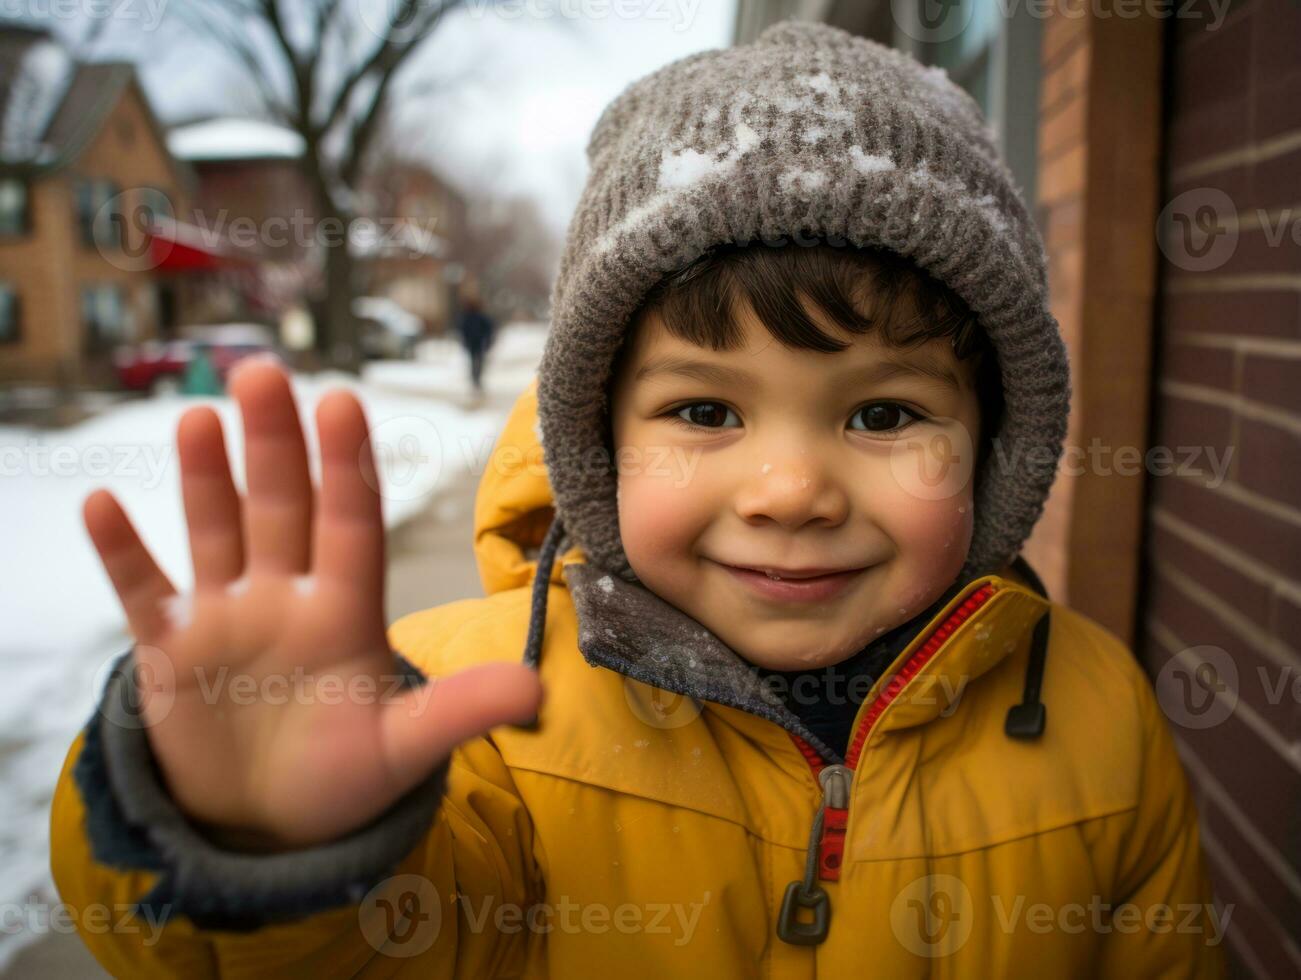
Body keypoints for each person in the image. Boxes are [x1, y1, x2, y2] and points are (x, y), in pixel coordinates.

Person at [52, 23, 1226, 977]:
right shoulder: (462, 726)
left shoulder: (1096, 718)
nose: (790, 490)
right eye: (705, 411)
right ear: (594, 438)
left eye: (881, 414)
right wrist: (271, 840)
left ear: (996, 446)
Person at [454, 281, 495, 394]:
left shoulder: (478, 317)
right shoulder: (468, 317)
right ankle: (475, 380)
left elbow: (488, 329)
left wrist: (487, 341)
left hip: (478, 343)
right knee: (475, 362)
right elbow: (462, 330)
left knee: (477, 362)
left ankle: (476, 380)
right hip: (473, 344)